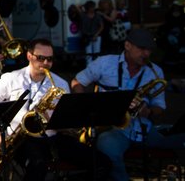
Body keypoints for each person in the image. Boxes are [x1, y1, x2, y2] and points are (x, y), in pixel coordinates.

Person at [0, 38, 110, 180]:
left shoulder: (60, 84)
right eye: (41, 58)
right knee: (37, 166)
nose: (45, 63)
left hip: (53, 137)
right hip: (21, 140)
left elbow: (67, 121)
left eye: (49, 59)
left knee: (102, 163)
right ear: (29, 56)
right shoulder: (11, 78)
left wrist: (59, 122)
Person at [71, 29, 185, 181]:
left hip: (143, 129)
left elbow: (159, 108)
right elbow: (77, 81)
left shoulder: (155, 72)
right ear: (127, 45)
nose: (146, 54)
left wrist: (147, 112)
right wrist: (87, 105)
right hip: (113, 130)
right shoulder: (104, 63)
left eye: (149, 50)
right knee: (107, 146)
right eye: (141, 49)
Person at [78, 0, 104, 65]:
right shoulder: (83, 15)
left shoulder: (97, 15)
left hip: (96, 35)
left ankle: (96, 67)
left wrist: (96, 34)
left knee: (96, 53)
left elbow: (101, 26)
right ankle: (89, 67)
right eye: (91, 7)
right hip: (87, 36)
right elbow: (77, 7)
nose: (93, 9)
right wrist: (83, 5)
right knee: (88, 54)